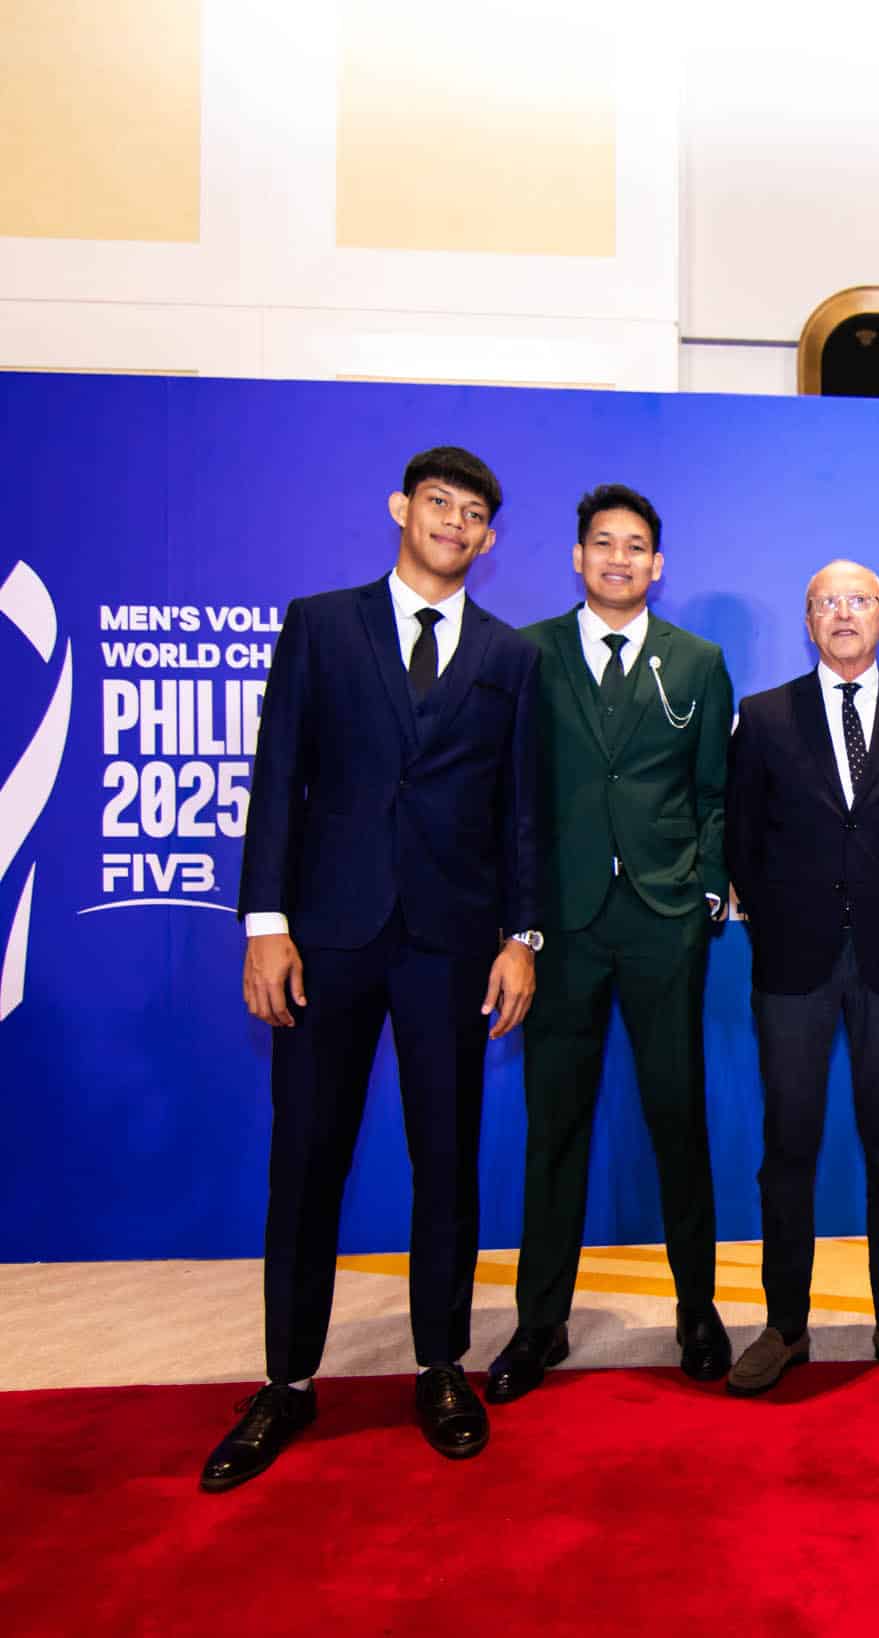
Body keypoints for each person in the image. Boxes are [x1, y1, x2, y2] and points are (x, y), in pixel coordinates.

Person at [203, 446, 540, 1491]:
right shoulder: (320, 623)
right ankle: (287, 1381)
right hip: (328, 935)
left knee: (447, 1158)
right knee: (306, 1159)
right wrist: (265, 921)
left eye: (473, 511)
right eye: (439, 502)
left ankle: (439, 1365)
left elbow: (521, 810)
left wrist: (522, 939)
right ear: (402, 509)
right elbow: (279, 779)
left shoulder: (508, 655)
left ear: (487, 539)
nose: (454, 521)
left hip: (449, 944)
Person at [484, 484, 735, 1405]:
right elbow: (511, 798)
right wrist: (517, 920)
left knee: (680, 1120)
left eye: (636, 546)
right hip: (560, 927)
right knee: (555, 1130)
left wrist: (704, 892)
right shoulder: (527, 655)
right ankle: (539, 1324)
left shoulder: (697, 661)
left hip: (665, 924)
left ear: (657, 565)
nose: (619, 559)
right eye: (603, 544)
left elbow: (714, 793)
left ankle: (698, 1311)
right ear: (577, 558)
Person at [724, 561, 879, 1395]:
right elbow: (740, 837)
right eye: (826, 602)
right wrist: (782, 915)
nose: (843, 613)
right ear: (808, 622)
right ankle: (785, 1326)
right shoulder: (762, 717)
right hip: (792, 966)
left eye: (858, 600)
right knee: (787, 1146)